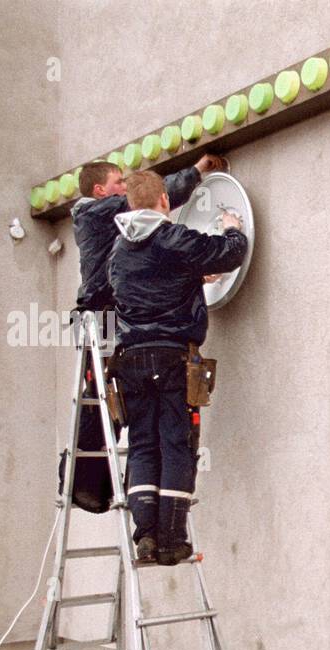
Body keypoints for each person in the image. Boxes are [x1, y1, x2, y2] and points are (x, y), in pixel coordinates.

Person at [107, 170, 249, 565]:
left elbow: (144, 287)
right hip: (173, 358)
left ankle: (146, 538)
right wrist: (233, 228)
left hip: (131, 360)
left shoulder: (118, 251)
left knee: (142, 445)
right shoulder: (172, 238)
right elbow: (229, 253)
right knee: (176, 445)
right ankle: (172, 540)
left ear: (130, 204)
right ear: (165, 202)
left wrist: (191, 279)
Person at [71, 154, 225, 326]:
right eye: (119, 182)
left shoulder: (91, 218)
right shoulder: (100, 212)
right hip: (103, 313)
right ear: (99, 190)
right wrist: (197, 170)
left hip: (98, 312)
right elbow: (152, 198)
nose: (125, 187)